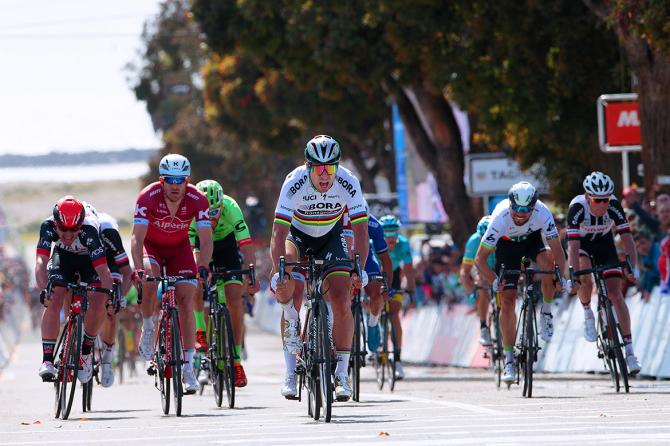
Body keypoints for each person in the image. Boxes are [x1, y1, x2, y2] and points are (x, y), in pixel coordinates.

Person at [270, 135, 369, 401]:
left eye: (331, 168)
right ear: (307, 166)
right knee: (290, 288)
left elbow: (361, 230)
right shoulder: (294, 183)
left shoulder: (349, 182)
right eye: (318, 168)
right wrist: (282, 272)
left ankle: (341, 374)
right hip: (298, 237)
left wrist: (357, 267)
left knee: (340, 297)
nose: (325, 175)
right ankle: (290, 371)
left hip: (331, 236)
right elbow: (278, 233)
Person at [131, 153, 213, 394]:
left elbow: (206, 239)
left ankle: (187, 367)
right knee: (149, 276)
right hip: (152, 247)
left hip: (180, 249)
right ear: (161, 180)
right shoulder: (148, 197)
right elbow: (137, 237)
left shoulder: (197, 199)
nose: (175, 185)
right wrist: (137, 269)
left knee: (188, 298)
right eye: (170, 180)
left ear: (187, 181)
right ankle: (148, 326)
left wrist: (203, 266)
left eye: (181, 180)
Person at [474, 181, 566, 384]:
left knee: (547, 260)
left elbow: (558, 250)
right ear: (510, 204)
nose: (521, 213)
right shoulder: (499, 218)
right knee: (506, 301)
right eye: (516, 208)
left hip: (532, 240)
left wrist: (562, 276)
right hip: (506, 246)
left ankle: (546, 312)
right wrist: (494, 280)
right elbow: (479, 260)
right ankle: (508, 360)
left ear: (534, 206)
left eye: (526, 209)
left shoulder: (543, 212)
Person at [567, 172, 641, 374]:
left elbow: (628, 241)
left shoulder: (615, 207)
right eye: (597, 200)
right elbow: (572, 248)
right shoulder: (577, 208)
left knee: (616, 294)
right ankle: (588, 313)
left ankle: (630, 352)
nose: (602, 204)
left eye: (606, 199)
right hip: (582, 245)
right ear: (587, 196)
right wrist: (573, 274)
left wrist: (632, 268)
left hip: (604, 244)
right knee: (584, 278)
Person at [189, 179, 259, 388]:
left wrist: (250, 274)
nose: (210, 217)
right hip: (201, 245)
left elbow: (246, 246)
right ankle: (200, 330)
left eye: (214, 212)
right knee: (194, 278)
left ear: (221, 206)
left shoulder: (231, 208)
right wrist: (199, 269)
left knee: (235, 302)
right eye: (205, 213)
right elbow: (190, 249)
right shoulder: (192, 213)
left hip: (226, 246)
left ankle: (236, 361)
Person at [36, 196, 114, 383]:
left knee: (98, 301)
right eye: (63, 229)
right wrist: (43, 289)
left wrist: (109, 297)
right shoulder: (47, 227)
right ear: (56, 223)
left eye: (74, 230)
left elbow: (103, 270)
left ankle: (86, 350)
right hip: (63, 258)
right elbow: (41, 261)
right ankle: (47, 361)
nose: (68, 235)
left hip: (89, 262)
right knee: (54, 297)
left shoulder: (89, 229)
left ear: (81, 224)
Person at [84, 203, 133, 388]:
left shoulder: (108, 231)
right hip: (86, 263)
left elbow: (126, 271)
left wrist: (121, 297)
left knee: (111, 307)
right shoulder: (77, 233)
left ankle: (107, 357)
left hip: (110, 264)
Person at [379, 214, 416, 380]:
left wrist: (410, 290)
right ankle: (376, 332)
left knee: (395, 314)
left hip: (394, 275)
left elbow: (408, 269)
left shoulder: (404, 244)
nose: (391, 240)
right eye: (387, 235)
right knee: (375, 304)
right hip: (377, 274)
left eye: (393, 235)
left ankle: (398, 359)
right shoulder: (374, 243)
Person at [459, 216, 494, 346]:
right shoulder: (473, 241)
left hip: (497, 266)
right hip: (481, 270)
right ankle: (484, 327)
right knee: (482, 287)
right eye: (482, 239)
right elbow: (464, 272)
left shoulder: (503, 238)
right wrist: (472, 292)